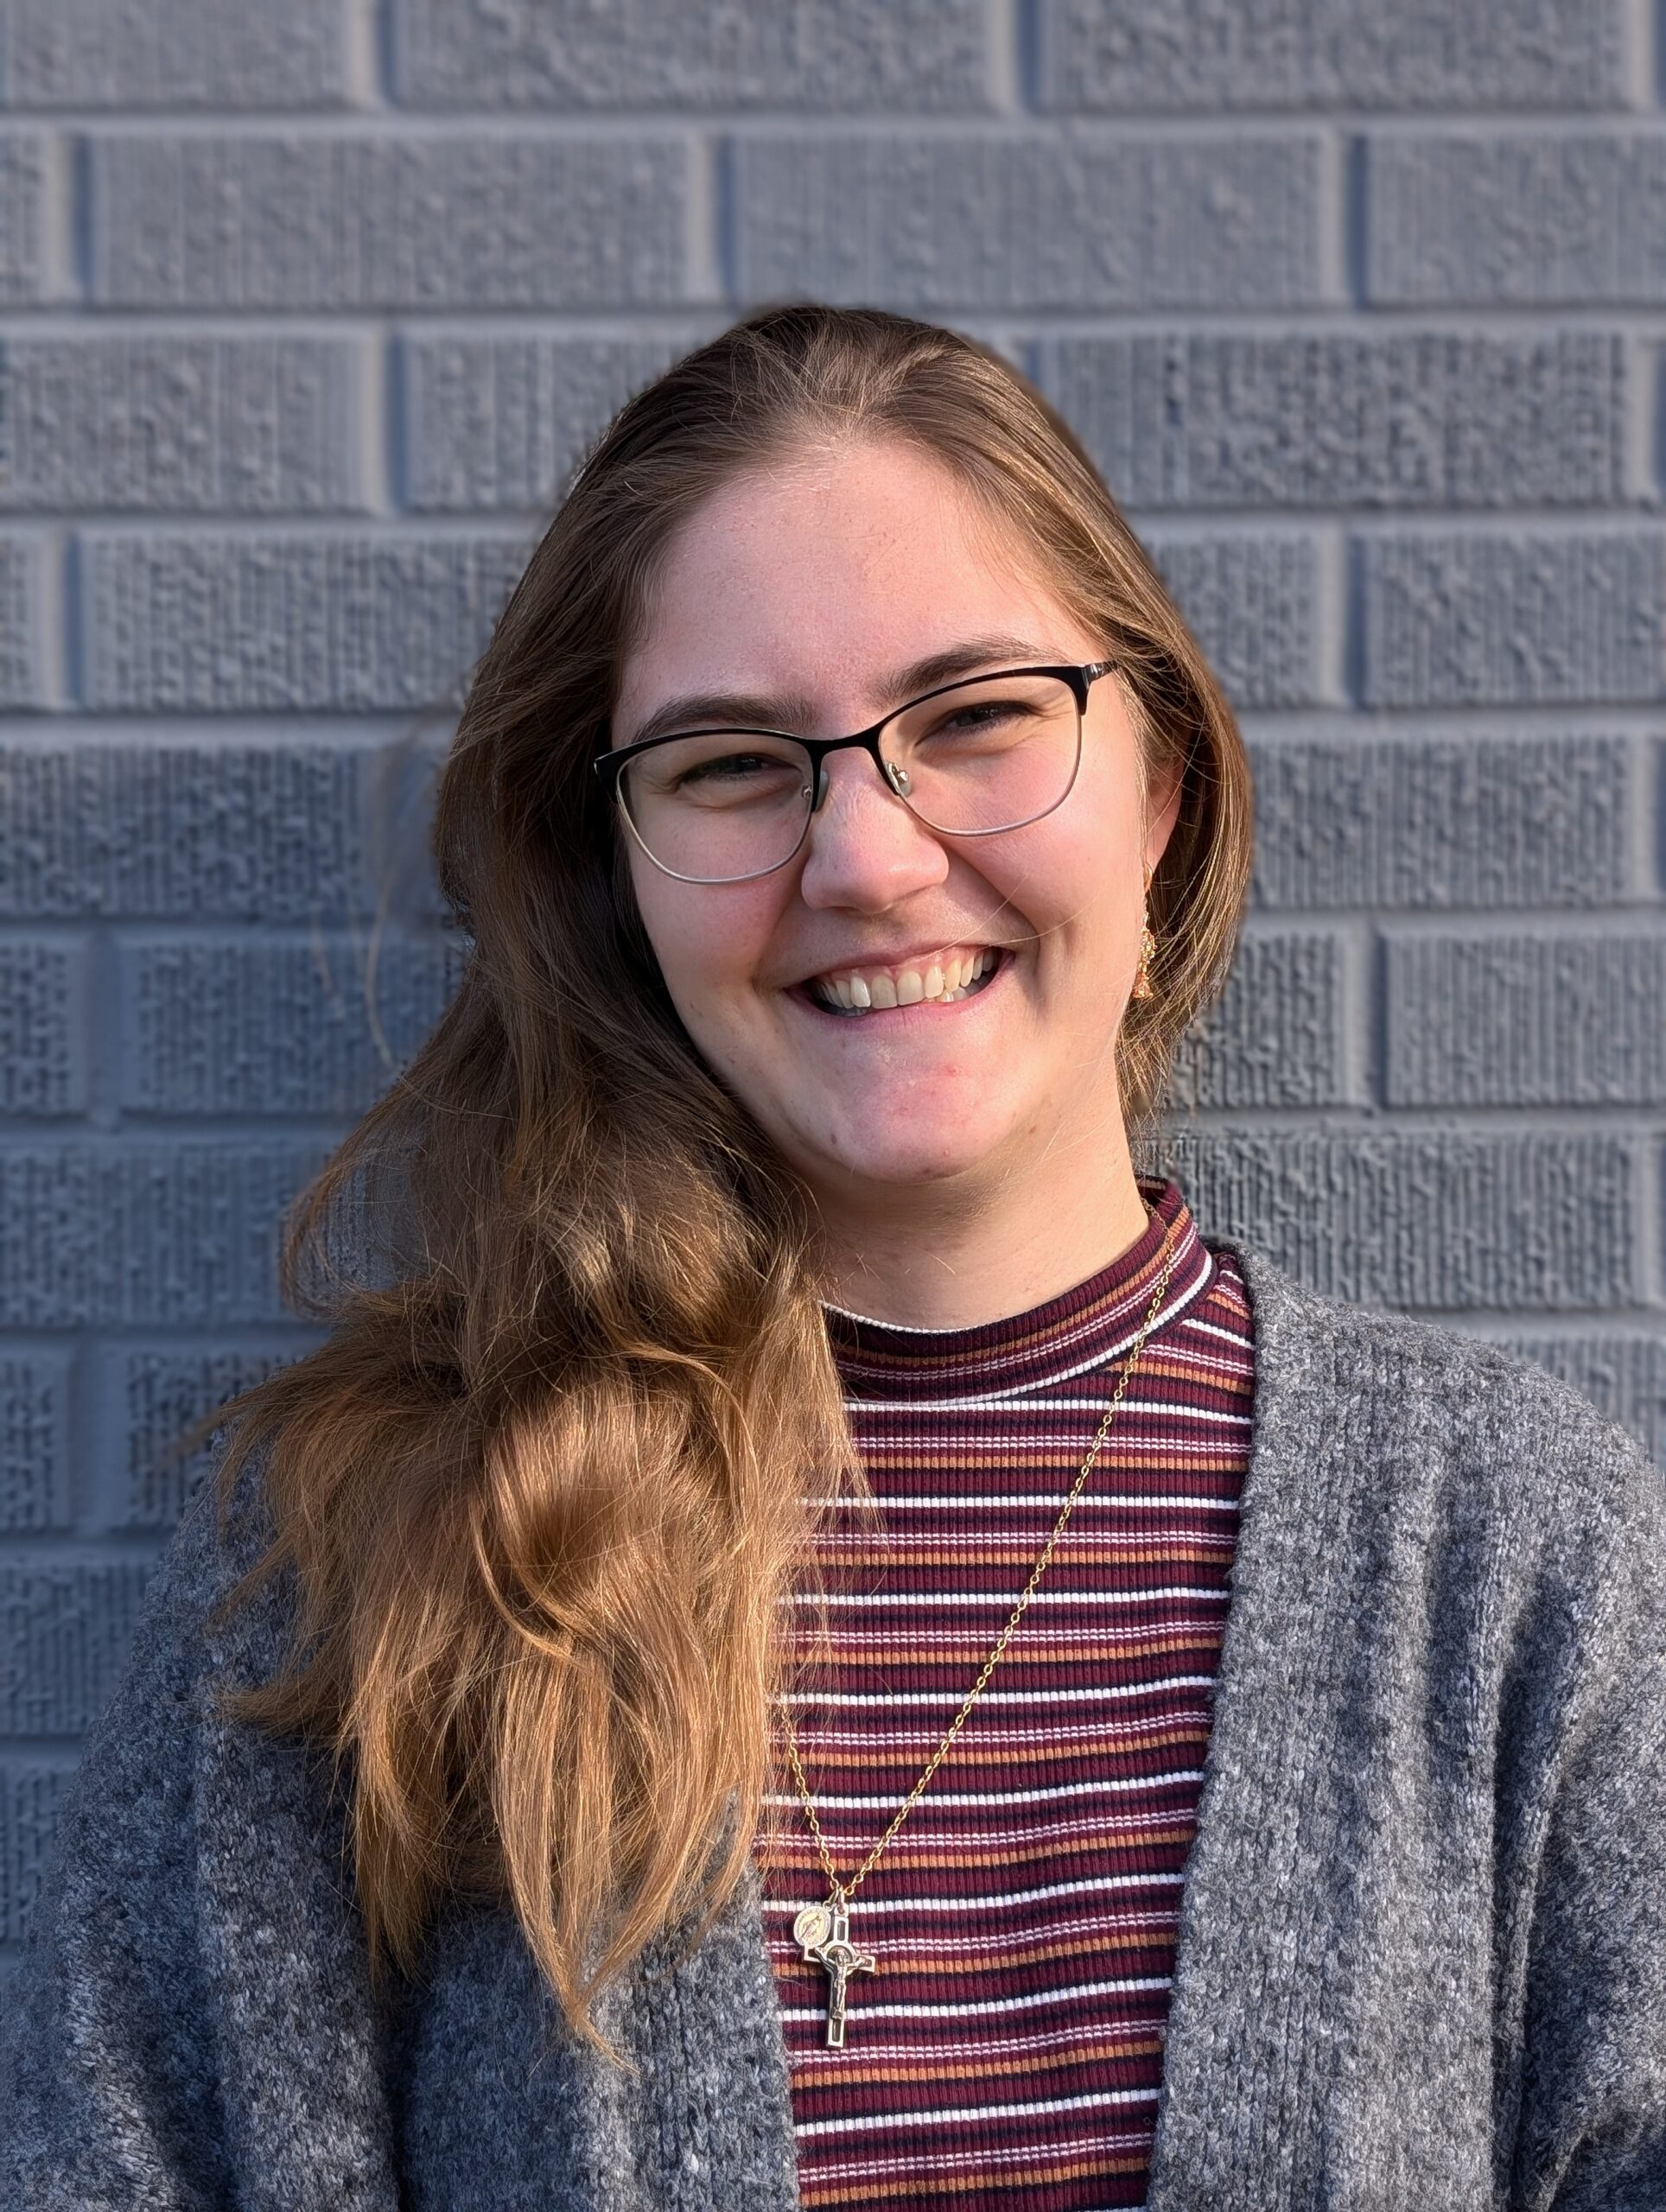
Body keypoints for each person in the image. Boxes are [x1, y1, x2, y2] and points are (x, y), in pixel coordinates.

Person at [3, 304, 1663, 2212]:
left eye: (974, 719)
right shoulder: (369, 1548)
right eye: (728, 763)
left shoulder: (1513, 1552)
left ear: (1161, 793)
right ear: (613, 873)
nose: (864, 858)